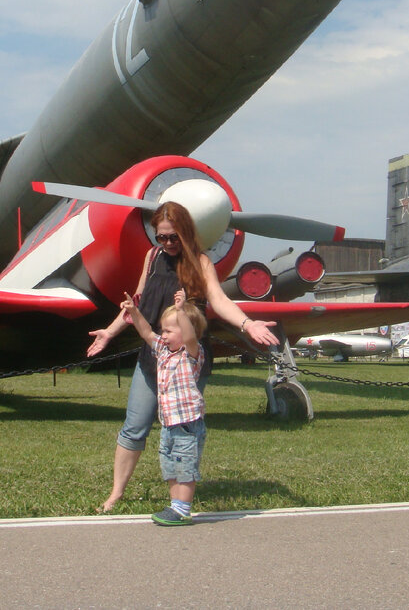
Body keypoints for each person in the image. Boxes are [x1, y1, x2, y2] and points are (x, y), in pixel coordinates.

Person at [87, 201, 280, 513]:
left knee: (180, 431)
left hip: (187, 364)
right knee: (134, 427)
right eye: (160, 237)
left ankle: (180, 500)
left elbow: (218, 299)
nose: (166, 244)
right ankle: (116, 494)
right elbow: (135, 302)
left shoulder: (202, 263)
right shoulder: (152, 258)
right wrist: (110, 332)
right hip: (154, 355)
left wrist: (248, 323)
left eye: (173, 237)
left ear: (187, 233)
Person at [122, 294, 207, 524]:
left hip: (187, 423)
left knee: (185, 465)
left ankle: (183, 508)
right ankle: (175, 506)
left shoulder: (191, 354)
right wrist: (134, 311)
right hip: (168, 423)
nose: (164, 335)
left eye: (169, 331)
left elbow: (189, 336)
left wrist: (180, 311)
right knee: (170, 465)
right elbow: (146, 332)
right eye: (164, 330)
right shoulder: (163, 350)